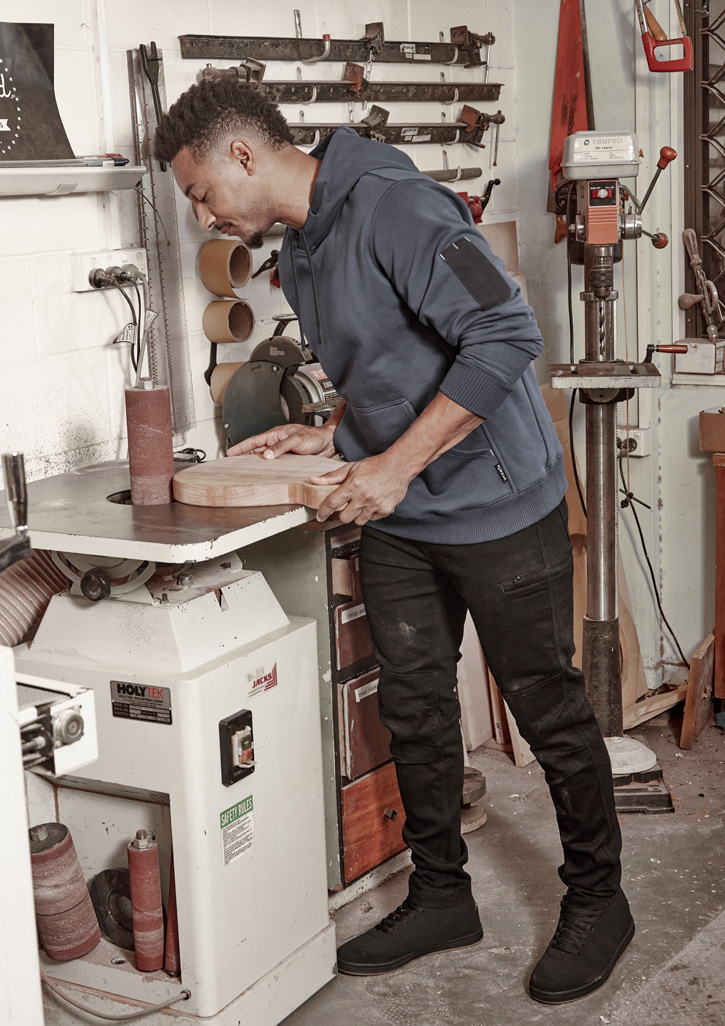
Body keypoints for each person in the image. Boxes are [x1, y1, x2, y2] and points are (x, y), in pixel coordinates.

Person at [155, 79, 634, 1003]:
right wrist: (334, 432)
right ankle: (443, 895)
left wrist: (392, 466)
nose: (203, 216)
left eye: (201, 192)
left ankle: (599, 900)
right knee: (413, 709)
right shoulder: (301, 248)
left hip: (498, 504)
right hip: (402, 516)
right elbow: (392, 362)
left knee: (546, 710)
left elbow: (503, 336)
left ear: (243, 156)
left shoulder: (396, 206)